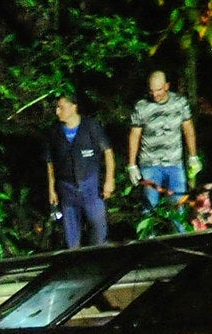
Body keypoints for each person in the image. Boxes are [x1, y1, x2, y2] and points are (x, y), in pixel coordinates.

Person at [44, 91, 114, 248]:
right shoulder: (54, 132)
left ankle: (99, 253)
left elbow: (108, 152)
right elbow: (50, 162)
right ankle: (74, 259)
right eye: (57, 108)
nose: (57, 111)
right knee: (71, 233)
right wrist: (52, 189)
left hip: (90, 184)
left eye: (61, 107)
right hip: (66, 187)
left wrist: (109, 180)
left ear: (73, 107)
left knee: (97, 223)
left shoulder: (90, 126)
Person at [126, 70, 201, 205]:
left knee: (179, 204)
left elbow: (188, 129)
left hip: (175, 163)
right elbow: (134, 135)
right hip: (150, 164)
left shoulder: (180, 103)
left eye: (158, 90)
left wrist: (193, 156)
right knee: (150, 205)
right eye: (151, 90)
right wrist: (132, 164)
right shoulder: (142, 106)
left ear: (166, 86)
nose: (154, 94)